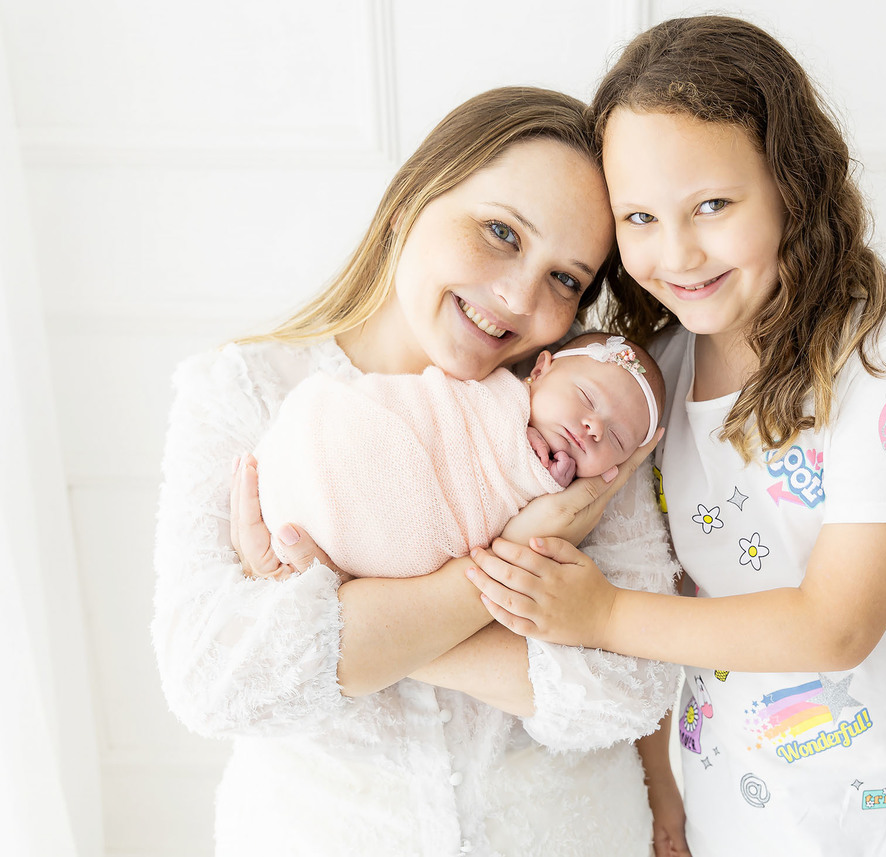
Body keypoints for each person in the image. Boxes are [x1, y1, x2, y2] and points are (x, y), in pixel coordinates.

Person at [464, 17, 886, 857]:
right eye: (640, 217)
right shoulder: (648, 385)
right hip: (746, 813)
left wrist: (601, 613)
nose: (678, 252)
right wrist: (662, 793)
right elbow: (657, 582)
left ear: (793, 183)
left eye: (713, 206)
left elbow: (835, 627)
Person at [152, 86, 680, 857]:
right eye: (501, 231)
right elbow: (214, 679)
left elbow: (633, 688)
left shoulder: (585, 416)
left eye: (566, 279)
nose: (519, 296)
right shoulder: (245, 391)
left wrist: (344, 606)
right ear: (410, 202)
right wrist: (510, 561)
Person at [253, 332, 665, 579]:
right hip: (350, 437)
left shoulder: (571, 507)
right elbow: (440, 412)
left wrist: (539, 479)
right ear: (539, 370)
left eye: (615, 438)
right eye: (586, 397)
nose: (593, 427)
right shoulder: (489, 394)